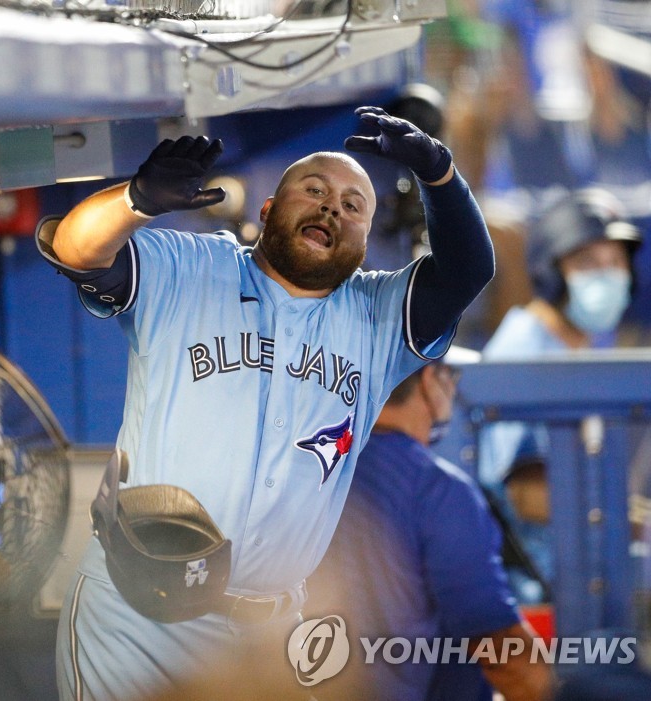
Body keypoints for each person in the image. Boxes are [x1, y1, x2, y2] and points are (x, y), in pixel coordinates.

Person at [37, 105, 495, 700]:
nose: (333, 205)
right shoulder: (187, 267)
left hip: (269, 631)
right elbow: (75, 249)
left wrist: (440, 177)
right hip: (136, 616)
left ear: (363, 241)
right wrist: (136, 201)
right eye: (314, 189)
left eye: (354, 205)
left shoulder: (378, 315)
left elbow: (467, 272)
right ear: (270, 211)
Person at [302, 346, 555, 701]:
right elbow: (505, 658)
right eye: (448, 378)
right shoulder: (436, 490)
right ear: (428, 381)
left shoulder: (310, 473)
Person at [478, 188, 643, 602]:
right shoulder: (524, 350)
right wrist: (615, 515)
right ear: (551, 271)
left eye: (615, 260)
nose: (607, 274)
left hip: (566, 585)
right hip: (528, 596)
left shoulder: (569, 348)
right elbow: (522, 494)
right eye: (588, 262)